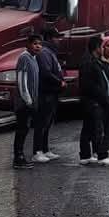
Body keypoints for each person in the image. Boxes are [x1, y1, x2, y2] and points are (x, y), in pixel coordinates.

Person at [79, 36, 109, 166]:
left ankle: (85, 155)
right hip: (93, 101)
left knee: (88, 128)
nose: (104, 49)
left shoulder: (95, 61)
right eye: (102, 46)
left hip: (92, 101)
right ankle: (101, 155)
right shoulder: (89, 63)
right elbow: (90, 85)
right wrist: (102, 97)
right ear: (96, 48)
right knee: (97, 129)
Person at [33, 26, 65, 163]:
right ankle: (37, 151)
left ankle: (45, 149)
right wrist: (59, 82)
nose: (59, 40)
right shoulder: (45, 52)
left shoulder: (50, 52)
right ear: (50, 39)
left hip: (51, 92)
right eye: (57, 38)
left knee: (48, 122)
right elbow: (46, 73)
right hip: (46, 92)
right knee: (42, 123)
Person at [13, 34, 42, 169]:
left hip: (30, 102)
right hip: (24, 103)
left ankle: (21, 156)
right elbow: (21, 81)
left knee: (25, 130)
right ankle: (18, 158)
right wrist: (28, 100)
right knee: (21, 130)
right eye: (35, 43)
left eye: (40, 44)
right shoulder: (24, 58)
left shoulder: (34, 59)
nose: (38, 46)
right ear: (28, 44)